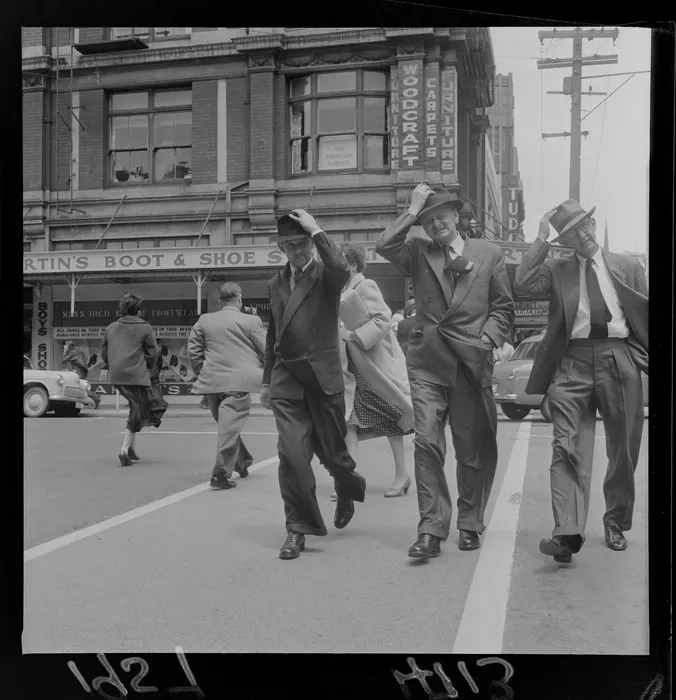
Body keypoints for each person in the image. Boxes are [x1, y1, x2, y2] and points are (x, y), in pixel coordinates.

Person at [376, 183, 514, 558]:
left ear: (456, 216)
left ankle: (470, 523)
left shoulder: (489, 253)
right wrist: (412, 208)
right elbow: (384, 245)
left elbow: (503, 307)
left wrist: (487, 339)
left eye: (441, 216)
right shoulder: (420, 252)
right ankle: (431, 529)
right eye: (428, 219)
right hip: (428, 363)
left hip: (471, 362)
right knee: (426, 443)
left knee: (471, 449)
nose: (436, 223)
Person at [515, 199, 648, 563]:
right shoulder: (557, 269)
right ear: (565, 240)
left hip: (618, 356)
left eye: (586, 226)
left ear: (593, 223)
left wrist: (639, 353)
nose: (584, 234)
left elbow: (646, 311)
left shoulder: (627, 265)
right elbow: (523, 282)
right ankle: (567, 532)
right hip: (572, 361)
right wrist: (540, 237)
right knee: (566, 445)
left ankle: (615, 521)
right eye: (574, 232)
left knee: (623, 445)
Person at [261, 209, 367, 560]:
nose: (297, 251)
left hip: (323, 380)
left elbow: (341, 268)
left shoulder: (326, 275)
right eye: (289, 245)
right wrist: (266, 380)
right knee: (291, 456)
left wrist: (318, 231)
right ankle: (297, 529)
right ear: (280, 246)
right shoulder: (275, 283)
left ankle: (347, 484)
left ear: (310, 242)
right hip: (287, 381)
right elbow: (274, 334)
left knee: (335, 454)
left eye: (302, 242)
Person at [336, 241, 414, 499]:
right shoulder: (343, 288)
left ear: (353, 263)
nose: (336, 264)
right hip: (353, 368)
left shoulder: (364, 285)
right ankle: (349, 479)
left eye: (341, 260)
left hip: (371, 366)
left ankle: (402, 475)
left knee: (390, 417)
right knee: (349, 422)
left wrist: (354, 335)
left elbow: (383, 318)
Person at [187, 282, 266, 490]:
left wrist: (201, 373)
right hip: (239, 383)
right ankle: (220, 474)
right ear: (239, 298)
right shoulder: (252, 320)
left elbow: (193, 352)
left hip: (213, 383)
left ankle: (243, 462)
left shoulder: (204, 320)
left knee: (227, 428)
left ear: (220, 301)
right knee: (228, 429)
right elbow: (266, 351)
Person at [101, 292, 167, 467]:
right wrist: (147, 366)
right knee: (139, 410)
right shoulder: (145, 327)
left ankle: (130, 448)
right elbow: (153, 353)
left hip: (117, 376)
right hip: (137, 376)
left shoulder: (110, 327)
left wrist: (114, 365)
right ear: (138, 311)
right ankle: (124, 450)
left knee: (135, 407)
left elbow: (104, 353)